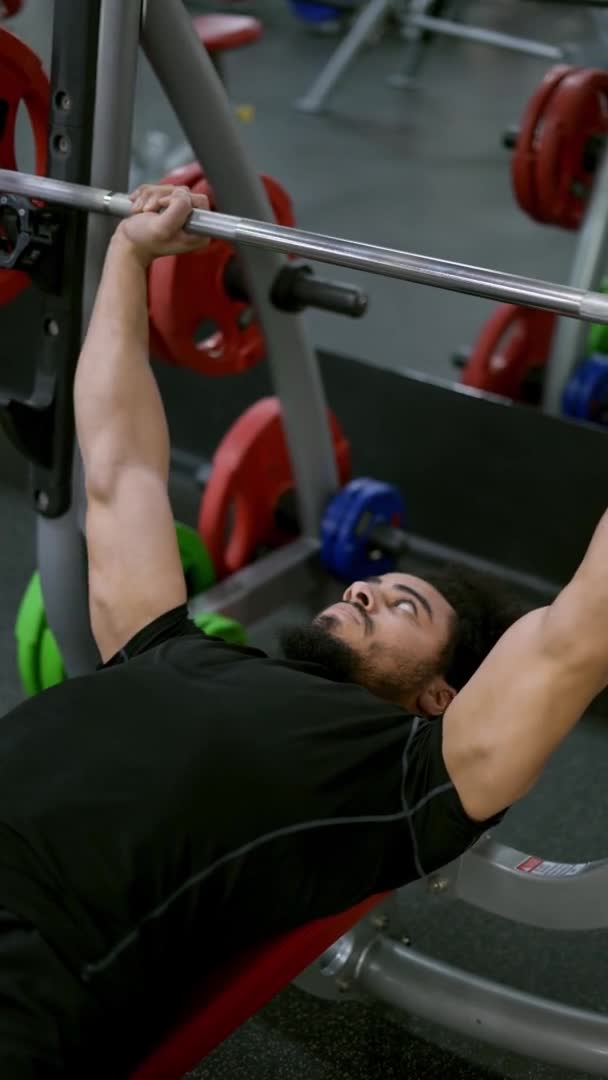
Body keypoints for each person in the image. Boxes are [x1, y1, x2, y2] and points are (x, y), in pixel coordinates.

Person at [1, 186, 607, 1079]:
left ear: (442, 695)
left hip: (29, 940)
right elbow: (119, 467)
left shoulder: (408, 776)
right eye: (375, 585)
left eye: (406, 607)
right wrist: (129, 259)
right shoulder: (169, 642)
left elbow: (577, 635)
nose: (366, 594)